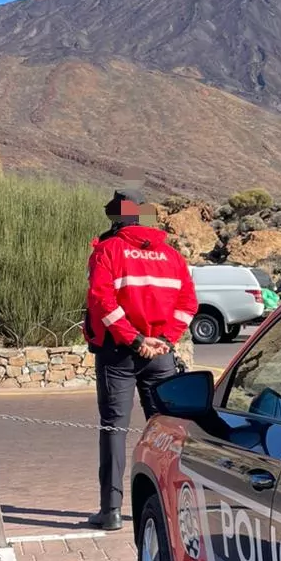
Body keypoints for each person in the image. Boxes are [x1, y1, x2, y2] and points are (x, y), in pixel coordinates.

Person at [83, 189, 198, 530]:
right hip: (160, 356)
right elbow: (188, 305)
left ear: (117, 218)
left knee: (113, 428)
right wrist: (163, 340)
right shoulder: (172, 256)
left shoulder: (108, 250)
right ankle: (169, 507)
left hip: (118, 353)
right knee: (164, 434)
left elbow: (101, 301)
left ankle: (111, 510)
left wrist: (133, 340)